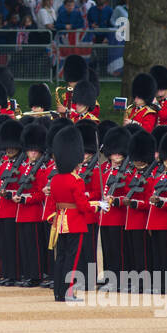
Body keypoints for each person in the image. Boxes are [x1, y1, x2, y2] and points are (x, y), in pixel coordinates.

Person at [47, 124, 99, 302]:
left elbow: (55, 202)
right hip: (75, 222)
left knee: (60, 258)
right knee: (72, 259)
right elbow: (83, 206)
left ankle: (58, 292)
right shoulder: (75, 180)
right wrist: (98, 206)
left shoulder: (55, 179)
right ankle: (68, 292)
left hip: (60, 222)